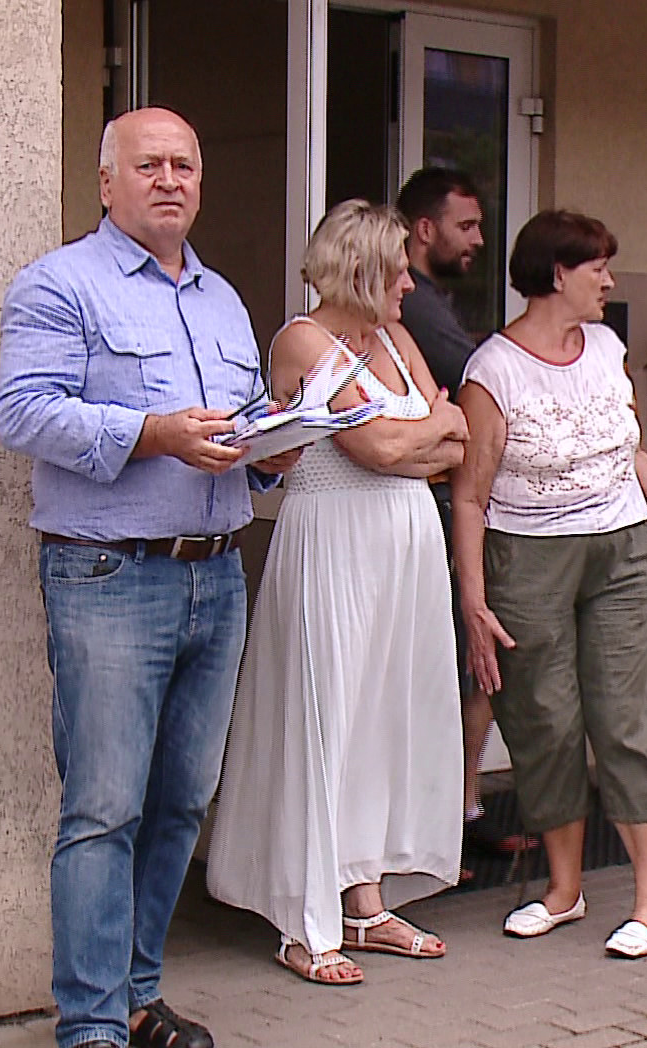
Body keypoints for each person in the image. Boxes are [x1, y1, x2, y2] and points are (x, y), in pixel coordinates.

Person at [0, 107, 298, 1048]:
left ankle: (135, 995)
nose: (170, 180)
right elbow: (23, 413)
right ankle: (90, 1025)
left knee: (180, 803)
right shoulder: (60, 285)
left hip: (218, 578)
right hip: (109, 577)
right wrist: (151, 435)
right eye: (149, 165)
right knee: (104, 809)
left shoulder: (221, 300)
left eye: (184, 166)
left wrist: (273, 451)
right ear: (106, 182)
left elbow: (237, 430)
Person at [450, 209, 647, 960]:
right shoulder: (492, 371)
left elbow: (629, 454)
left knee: (624, 717)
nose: (610, 282)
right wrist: (474, 600)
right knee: (545, 720)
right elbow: (469, 495)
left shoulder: (607, 347)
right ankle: (564, 891)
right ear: (558, 273)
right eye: (598, 268)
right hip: (527, 559)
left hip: (622, 553)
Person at [207, 199, 469, 987]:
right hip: (334, 544)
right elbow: (379, 446)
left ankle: (364, 900)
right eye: (397, 273)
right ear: (360, 271)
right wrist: (422, 433)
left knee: (385, 714)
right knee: (325, 715)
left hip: (405, 545)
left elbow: (455, 441)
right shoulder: (302, 339)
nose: (409, 288)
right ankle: (305, 917)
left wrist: (416, 439)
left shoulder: (394, 337)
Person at [393, 167, 536, 862]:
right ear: (425, 230)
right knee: (467, 660)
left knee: (472, 662)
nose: (479, 240)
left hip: (447, 499)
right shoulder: (415, 309)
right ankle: (452, 813)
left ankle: (460, 806)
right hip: (435, 506)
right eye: (467, 226)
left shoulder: (431, 306)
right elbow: (480, 388)